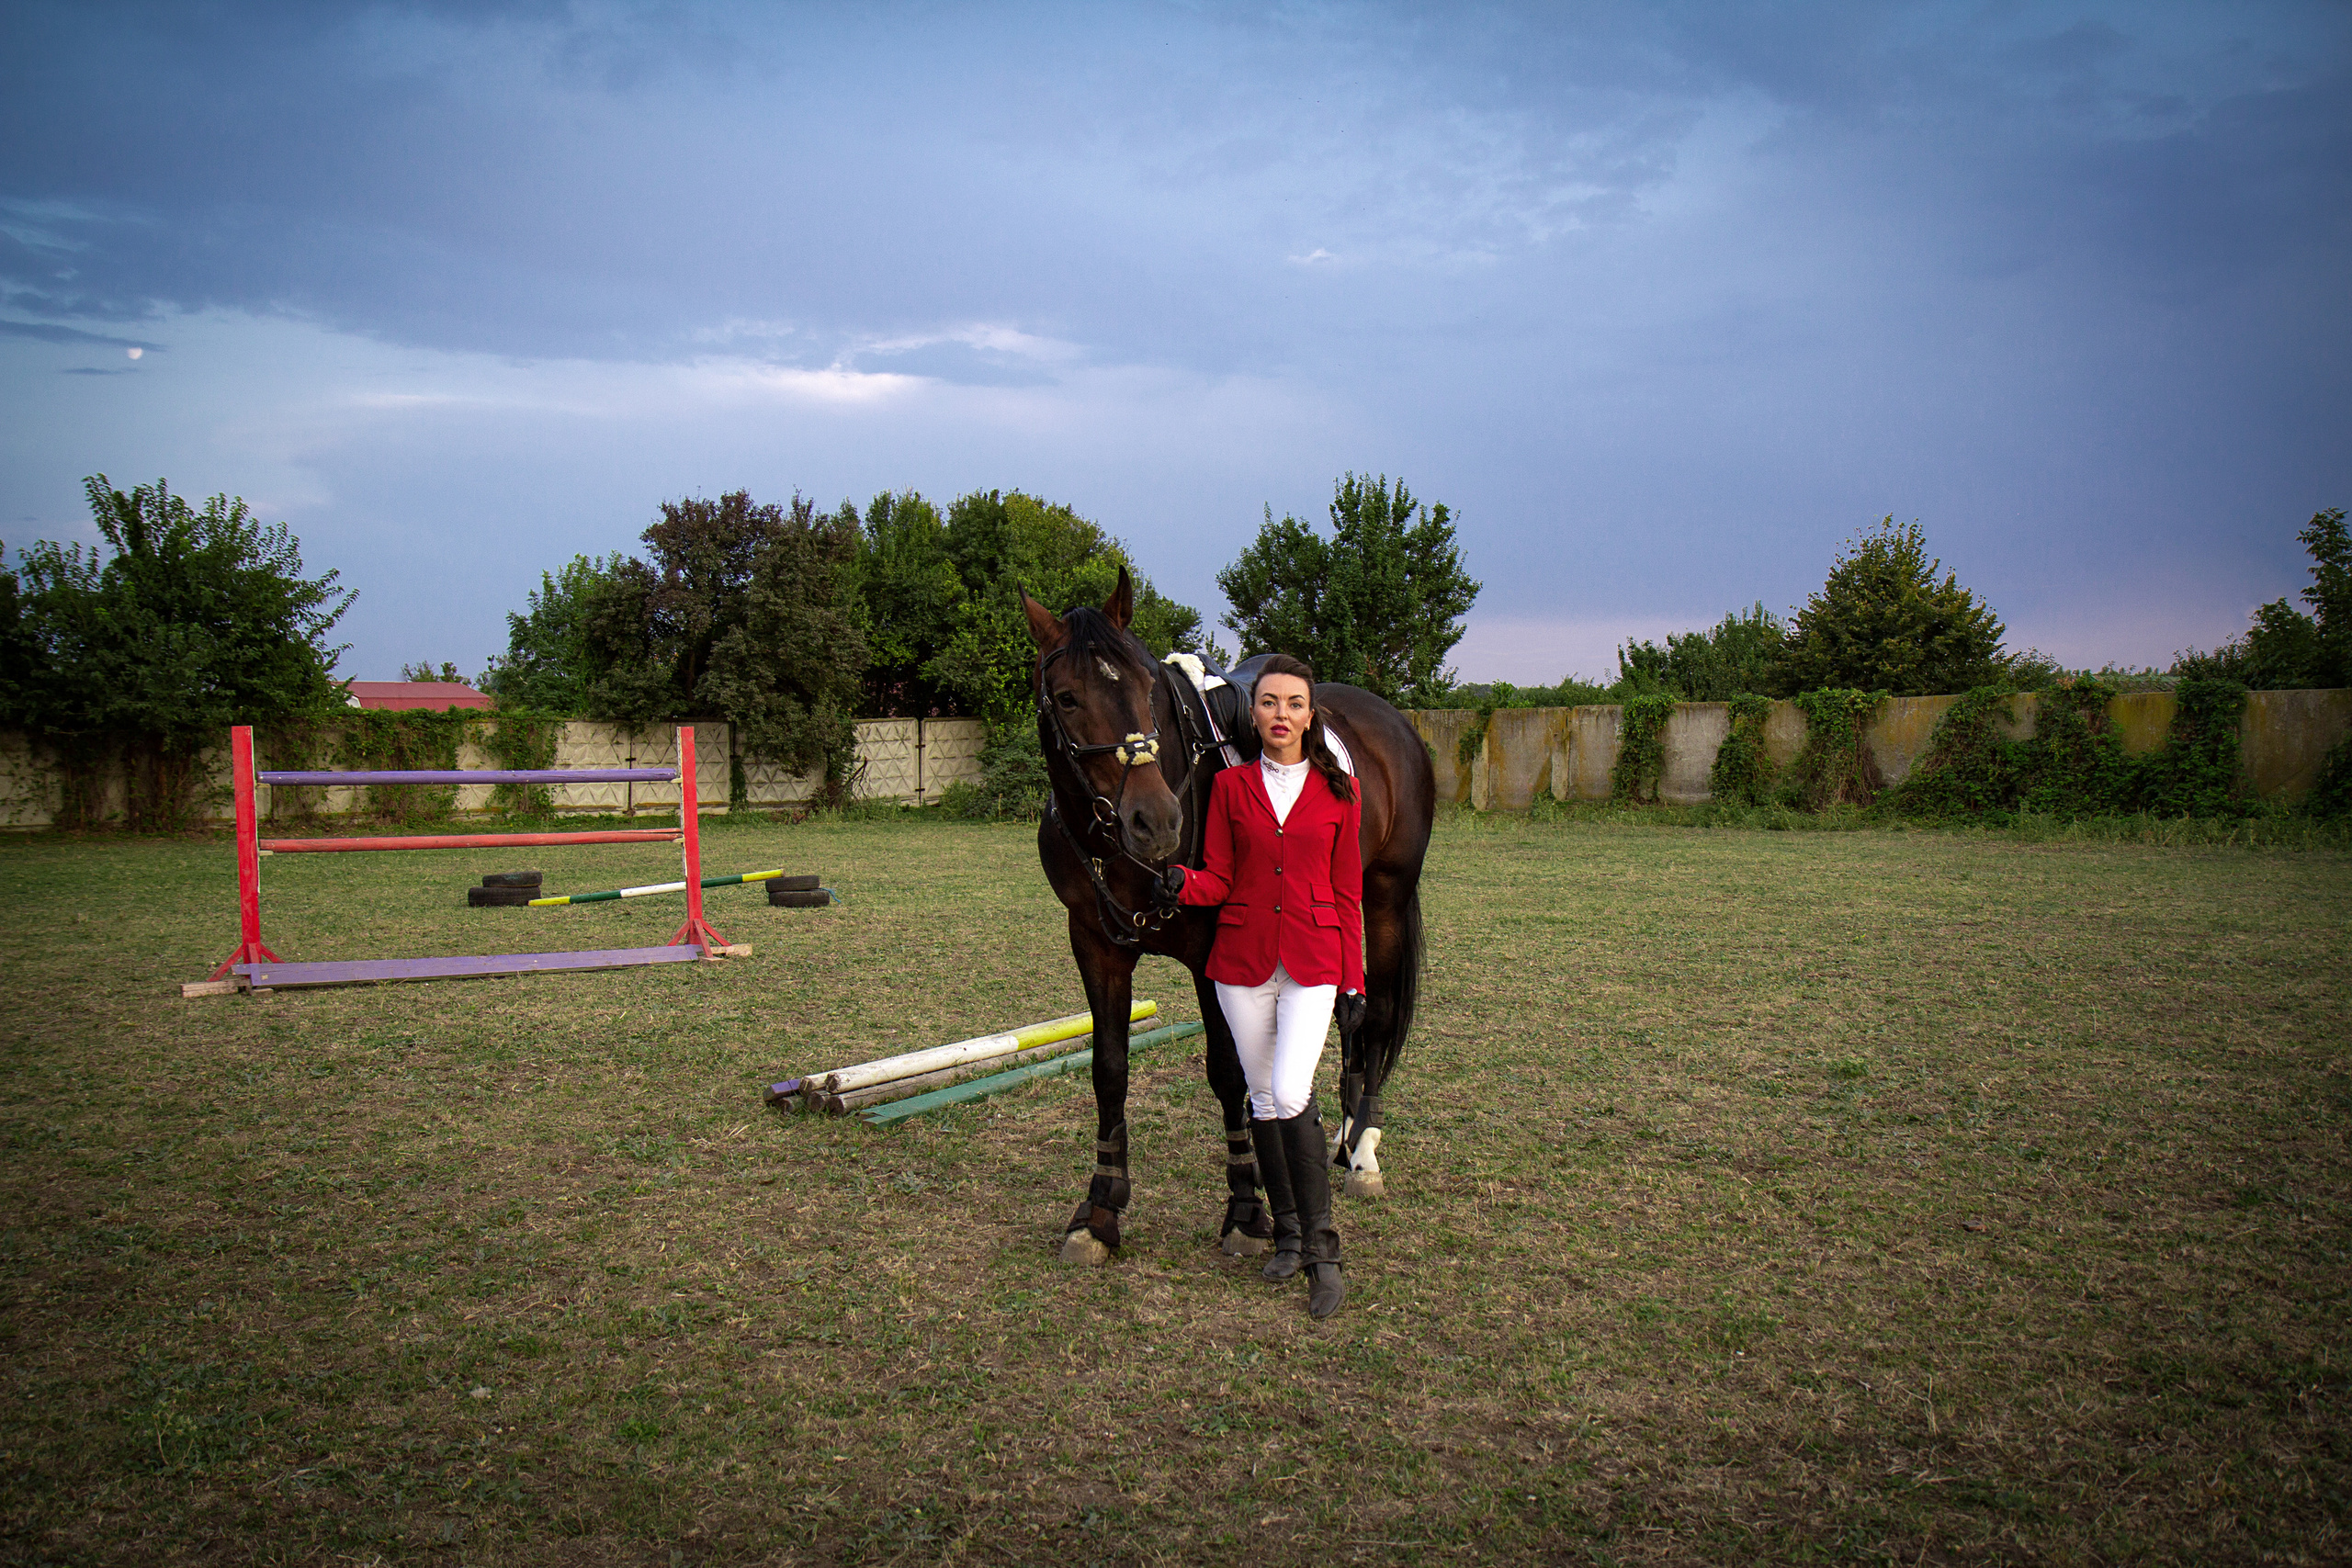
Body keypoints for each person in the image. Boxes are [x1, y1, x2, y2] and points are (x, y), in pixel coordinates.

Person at [1161, 654, 1363, 1318]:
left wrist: (1354, 981)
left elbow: (1348, 893)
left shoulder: (1339, 792)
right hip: (1242, 964)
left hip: (1313, 961)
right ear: (1256, 712)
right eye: (1270, 702)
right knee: (1262, 1098)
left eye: (1294, 703)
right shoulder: (1230, 788)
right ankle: (1287, 1232)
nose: (1281, 714)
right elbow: (1218, 877)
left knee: (1290, 1089)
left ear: (1311, 715)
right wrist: (1179, 883)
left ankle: (1324, 1253)